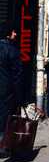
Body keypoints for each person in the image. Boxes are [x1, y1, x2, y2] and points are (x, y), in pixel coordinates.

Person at [0, 21, 23, 155]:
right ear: (8, 34)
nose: (16, 34)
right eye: (13, 32)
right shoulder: (12, 51)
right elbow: (17, 77)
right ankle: (3, 147)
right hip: (6, 91)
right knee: (5, 119)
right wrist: (20, 99)